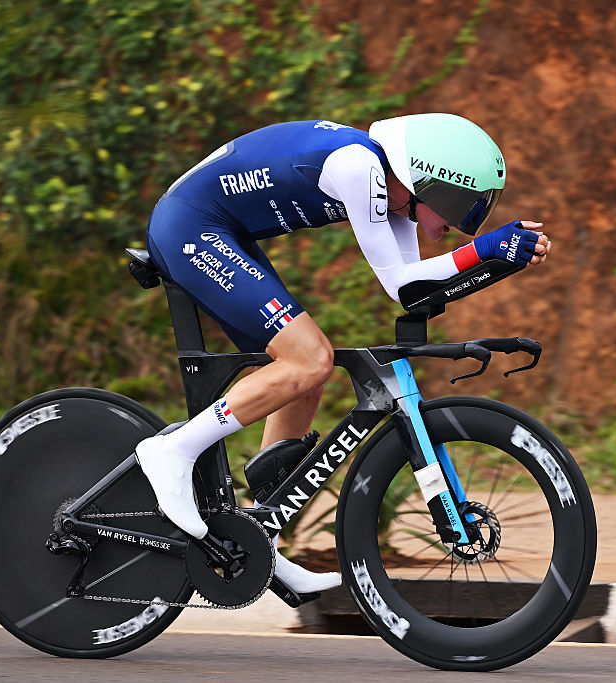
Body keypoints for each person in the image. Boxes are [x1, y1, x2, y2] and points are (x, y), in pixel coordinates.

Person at [136, 114, 551, 593]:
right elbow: (401, 281)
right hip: (190, 226)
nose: (463, 224)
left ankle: (260, 534)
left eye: (475, 212)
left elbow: (412, 290)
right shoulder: (360, 169)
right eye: (463, 205)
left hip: (220, 229)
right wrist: (486, 247)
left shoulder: (395, 196)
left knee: (303, 379)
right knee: (311, 358)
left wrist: (498, 259)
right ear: (424, 181)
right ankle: (172, 450)